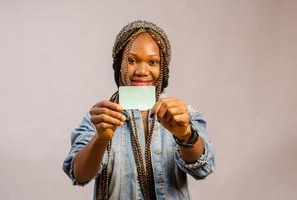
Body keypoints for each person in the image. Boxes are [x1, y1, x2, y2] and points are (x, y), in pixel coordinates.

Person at [62, 20, 215, 200]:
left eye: (152, 62)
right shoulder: (101, 117)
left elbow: (203, 169)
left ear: (163, 67)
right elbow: (80, 175)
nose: (142, 71)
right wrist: (100, 139)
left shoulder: (180, 115)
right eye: (132, 60)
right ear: (118, 64)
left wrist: (185, 135)